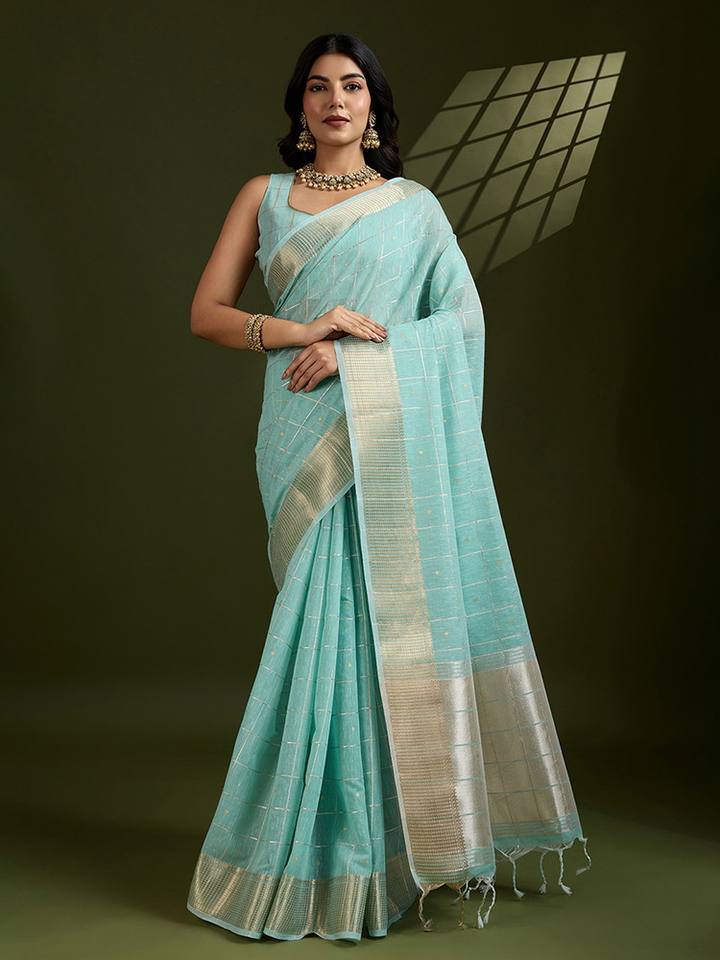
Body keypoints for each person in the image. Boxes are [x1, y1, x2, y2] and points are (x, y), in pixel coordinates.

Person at [185, 32, 591, 942]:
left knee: (382, 627)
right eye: (319, 87)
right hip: (299, 431)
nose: (336, 100)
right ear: (300, 106)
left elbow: (463, 323)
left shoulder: (413, 208)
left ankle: (391, 850)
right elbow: (206, 313)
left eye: (353, 86)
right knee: (318, 624)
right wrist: (303, 333)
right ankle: (313, 848)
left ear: (374, 105)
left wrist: (356, 354)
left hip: (383, 432)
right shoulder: (263, 195)